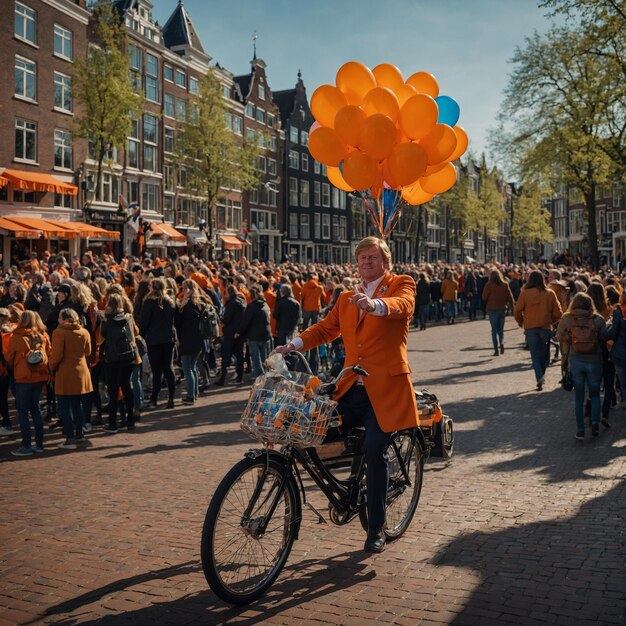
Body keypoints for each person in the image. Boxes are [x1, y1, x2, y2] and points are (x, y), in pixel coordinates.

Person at [272, 236, 419, 553]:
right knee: (314, 430)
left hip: (387, 391)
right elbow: (325, 329)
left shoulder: (400, 283)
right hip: (351, 388)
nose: (366, 262)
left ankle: (376, 527)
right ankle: (345, 490)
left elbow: (403, 305)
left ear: (385, 262)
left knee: (375, 448)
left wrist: (376, 305)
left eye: (373, 257)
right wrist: (293, 345)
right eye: (362, 258)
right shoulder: (346, 298)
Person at [557, 293, 606, 440]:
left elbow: (559, 336)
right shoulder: (597, 320)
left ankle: (580, 430)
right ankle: (595, 423)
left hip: (576, 359)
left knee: (579, 396)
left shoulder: (567, 318)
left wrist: (570, 338)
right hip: (595, 359)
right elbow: (604, 337)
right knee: (595, 394)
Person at [5, 311, 51, 456]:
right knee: (35, 409)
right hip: (39, 376)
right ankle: (39, 444)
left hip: (23, 378)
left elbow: (8, 357)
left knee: (23, 412)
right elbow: (49, 352)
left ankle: (26, 445)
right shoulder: (42, 336)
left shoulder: (16, 338)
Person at [49, 308, 93, 449]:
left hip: (65, 373)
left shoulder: (59, 333)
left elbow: (56, 356)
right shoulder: (84, 332)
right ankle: (79, 434)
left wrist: (50, 367)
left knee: (64, 407)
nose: (58, 320)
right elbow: (88, 352)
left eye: (60, 318)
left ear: (65, 318)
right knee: (77, 406)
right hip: (81, 371)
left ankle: (69, 437)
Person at [514, 270, 562, 390]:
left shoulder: (525, 293)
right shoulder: (549, 293)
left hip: (530, 328)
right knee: (544, 354)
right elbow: (558, 311)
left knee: (535, 355)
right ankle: (542, 375)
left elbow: (517, 310)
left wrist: (521, 321)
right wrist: (553, 321)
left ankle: (539, 377)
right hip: (545, 327)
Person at [100, 294, 139, 432]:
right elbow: (135, 332)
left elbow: (103, 335)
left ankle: (112, 422)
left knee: (113, 390)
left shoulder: (107, 320)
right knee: (127, 387)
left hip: (113, 358)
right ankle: (130, 420)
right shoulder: (128, 317)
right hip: (128, 357)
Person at [139, 277, 176, 409]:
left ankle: (154, 399)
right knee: (168, 368)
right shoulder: (170, 302)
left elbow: (144, 322)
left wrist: (141, 335)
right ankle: (171, 398)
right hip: (168, 339)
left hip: (154, 340)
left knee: (157, 370)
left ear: (153, 288)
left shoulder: (149, 302)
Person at [175, 279, 204, 404]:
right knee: (192, 367)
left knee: (187, 368)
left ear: (190, 289)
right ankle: (195, 393)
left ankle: (191, 396)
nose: (183, 291)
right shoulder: (199, 303)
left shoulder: (187, 305)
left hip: (188, 340)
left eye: (185, 288)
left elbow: (180, 323)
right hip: (198, 339)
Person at [237, 285, 272, 379]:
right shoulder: (265, 304)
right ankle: (266, 375)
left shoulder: (251, 307)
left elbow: (245, 321)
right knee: (265, 357)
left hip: (254, 335)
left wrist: (239, 332)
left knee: (256, 358)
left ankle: (260, 376)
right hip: (265, 334)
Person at [215, 285, 246, 386]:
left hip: (230, 333)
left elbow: (226, 319)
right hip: (239, 333)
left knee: (225, 355)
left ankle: (223, 378)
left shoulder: (231, 304)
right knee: (239, 355)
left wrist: (221, 319)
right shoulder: (242, 301)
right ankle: (239, 377)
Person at [482, 269, 515, 355]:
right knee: (501, 329)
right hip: (502, 308)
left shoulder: (489, 285)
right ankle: (502, 342)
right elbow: (510, 297)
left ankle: (496, 349)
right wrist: (512, 307)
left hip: (492, 309)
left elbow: (484, 297)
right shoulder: (505, 284)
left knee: (494, 330)